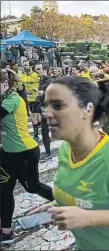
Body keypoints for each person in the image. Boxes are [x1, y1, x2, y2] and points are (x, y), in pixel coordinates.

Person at [29, 76, 109, 250]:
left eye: (58, 106)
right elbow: (83, 197)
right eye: (46, 105)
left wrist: (86, 217)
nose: (47, 113)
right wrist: (55, 209)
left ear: (87, 109)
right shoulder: (66, 150)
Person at [0, 69, 54, 243]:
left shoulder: (12, 99)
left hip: (25, 152)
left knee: (33, 187)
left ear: (6, 84)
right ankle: (6, 231)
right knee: (4, 190)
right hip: (7, 153)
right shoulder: (4, 98)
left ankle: (65, 202)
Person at [35, 63, 55, 162]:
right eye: (36, 69)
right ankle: (48, 153)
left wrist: (44, 93)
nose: (37, 71)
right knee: (44, 131)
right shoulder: (41, 80)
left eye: (39, 69)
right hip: (44, 109)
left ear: (45, 70)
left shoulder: (51, 80)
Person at [21, 60, 42, 141]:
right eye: (23, 65)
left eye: (26, 65)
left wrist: (38, 89)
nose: (24, 66)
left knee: (33, 117)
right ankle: (39, 123)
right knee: (37, 118)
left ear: (30, 66)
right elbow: (21, 87)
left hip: (36, 99)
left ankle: (36, 135)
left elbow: (42, 85)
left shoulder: (36, 75)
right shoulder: (22, 76)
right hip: (28, 100)